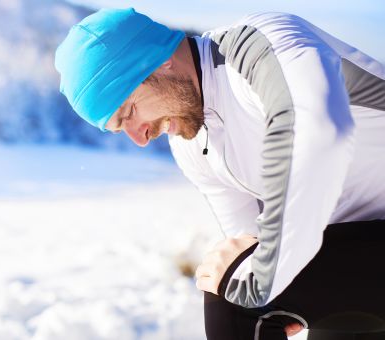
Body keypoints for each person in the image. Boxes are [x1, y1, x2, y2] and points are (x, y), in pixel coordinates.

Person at [54, 8, 385, 340]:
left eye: (129, 112)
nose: (139, 137)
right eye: (119, 129)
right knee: (235, 282)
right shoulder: (190, 145)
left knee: (235, 291)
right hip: (360, 250)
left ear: (159, 61)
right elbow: (248, 242)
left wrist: (265, 279)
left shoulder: (261, 45)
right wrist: (269, 288)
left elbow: (321, 134)